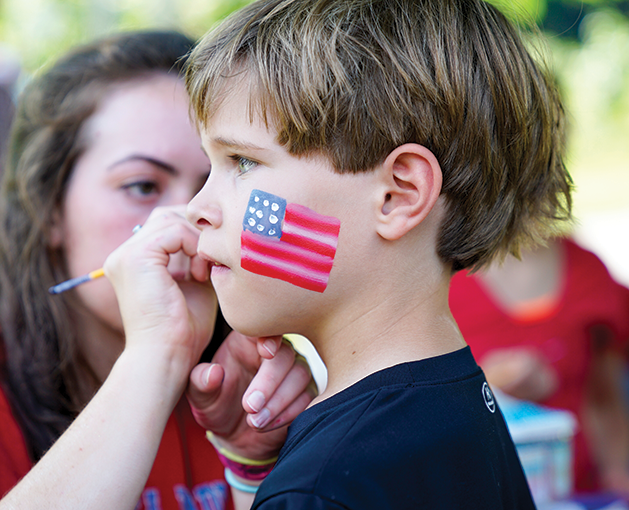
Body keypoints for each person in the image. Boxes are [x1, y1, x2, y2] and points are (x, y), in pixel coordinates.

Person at [73, 0, 574, 507]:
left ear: (398, 194)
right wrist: (255, 475)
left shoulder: (323, 487)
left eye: (242, 162)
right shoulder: (459, 407)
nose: (197, 209)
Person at [0, 30, 314, 510]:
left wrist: (251, 472)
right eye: (143, 185)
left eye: (223, 177)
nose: (189, 215)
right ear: (49, 211)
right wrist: (157, 356)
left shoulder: (248, 388)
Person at [449, 236, 629, 494]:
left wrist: (617, 477)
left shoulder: (588, 271)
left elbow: (606, 398)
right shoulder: (440, 276)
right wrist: (489, 383)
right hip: (481, 492)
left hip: (577, 491)